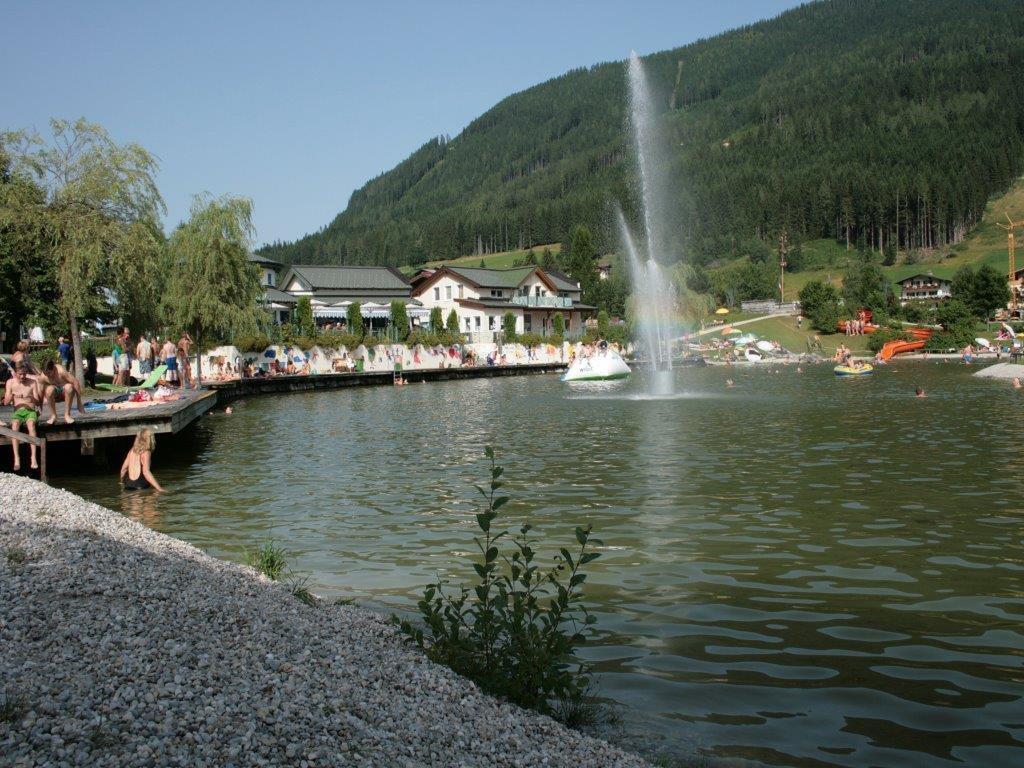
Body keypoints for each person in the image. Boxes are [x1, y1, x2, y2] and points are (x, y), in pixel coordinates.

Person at [3, 363, 42, 471]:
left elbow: (38, 402)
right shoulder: (10, 383)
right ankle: (17, 458)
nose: (22, 377)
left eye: (24, 374)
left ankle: (33, 457)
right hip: (18, 411)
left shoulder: (32, 382)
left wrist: (30, 397)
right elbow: (6, 402)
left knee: (31, 425)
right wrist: (13, 395)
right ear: (15, 373)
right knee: (14, 426)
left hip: (30, 411)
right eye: (20, 374)